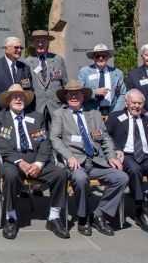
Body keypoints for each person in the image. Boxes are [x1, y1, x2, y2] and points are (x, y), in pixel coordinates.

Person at [0, 84, 69, 240]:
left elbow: (45, 143)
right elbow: (0, 145)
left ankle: (53, 217)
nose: (18, 99)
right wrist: (20, 162)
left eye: (21, 96)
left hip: (36, 158)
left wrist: (39, 164)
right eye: (15, 96)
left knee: (60, 174)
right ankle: (10, 217)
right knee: (10, 176)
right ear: (8, 101)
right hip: (13, 160)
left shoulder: (37, 117)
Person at [50, 80, 128, 236]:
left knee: (122, 178)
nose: (74, 97)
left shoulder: (94, 114)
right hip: (75, 162)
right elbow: (55, 139)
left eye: (77, 94)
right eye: (70, 94)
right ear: (65, 97)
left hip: (97, 161)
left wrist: (111, 156)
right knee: (80, 180)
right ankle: (83, 217)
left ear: (83, 96)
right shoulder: (60, 114)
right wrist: (69, 156)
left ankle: (99, 214)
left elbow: (105, 137)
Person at [106, 89, 148, 235]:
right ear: (126, 103)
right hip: (126, 155)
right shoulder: (115, 117)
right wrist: (115, 149)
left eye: (140, 103)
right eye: (133, 102)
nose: (137, 106)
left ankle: (147, 205)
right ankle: (140, 207)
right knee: (134, 170)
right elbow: (106, 136)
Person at [0, 36, 34, 125]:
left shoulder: (25, 68)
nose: (19, 50)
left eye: (21, 48)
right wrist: (8, 105)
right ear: (6, 48)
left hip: (19, 113)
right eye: (16, 47)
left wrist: (19, 106)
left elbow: (28, 89)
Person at [23, 30, 67, 125]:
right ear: (33, 43)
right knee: (38, 135)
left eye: (43, 41)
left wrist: (64, 105)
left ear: (48, 42)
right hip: (36, 106)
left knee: (56, 134)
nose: (40, 44)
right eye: (37, 41)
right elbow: (25, 87)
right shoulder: (27, 62)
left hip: (56, 106)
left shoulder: (58, 59)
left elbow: (65, 84)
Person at [78, 44, 126, 117]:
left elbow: (123, 94)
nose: (101, 58)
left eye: (103, 56)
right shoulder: (84, 71)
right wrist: (94, 92)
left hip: (111, 112)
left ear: (108, 57)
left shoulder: (117, 73)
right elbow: (78, 91)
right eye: (97, 56)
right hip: (90, 112)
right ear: (93, 58)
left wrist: (115, 113)